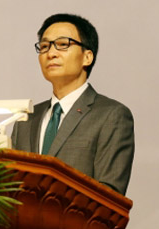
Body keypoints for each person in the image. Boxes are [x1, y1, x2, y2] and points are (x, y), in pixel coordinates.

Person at [11, 13, 134, 195]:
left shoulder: (112, 115)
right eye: (44, 46)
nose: (51, 53)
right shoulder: (25, 119)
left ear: (87, 57)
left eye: (62, 45)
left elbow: (109, 196)